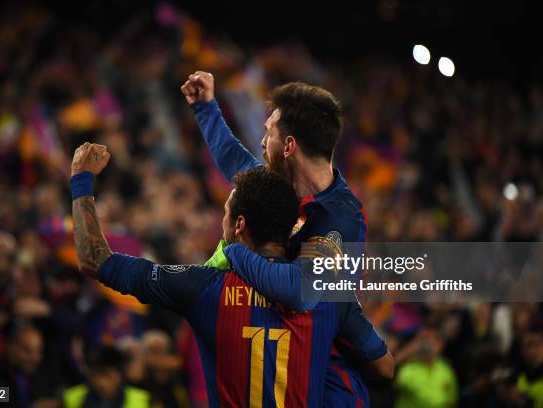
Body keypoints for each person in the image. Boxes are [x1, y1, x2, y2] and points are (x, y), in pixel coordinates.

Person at [70, 143, 388, 407]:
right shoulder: (329, 294)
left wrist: (81, 180)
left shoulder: (204, 288)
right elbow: (383, 367)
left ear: (238, 226)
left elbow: (93, 260)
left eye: (226, 213)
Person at [182, 72, 394, 405]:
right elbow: (236, 163)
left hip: (329, 384)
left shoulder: (338, 218)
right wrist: (206, 107)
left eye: (268, 134)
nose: (263, 144)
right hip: (286, 366)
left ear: (290, 145)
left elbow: (299, 291)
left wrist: (235, 251)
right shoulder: (284, 192)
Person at [63, 346, 150, 408]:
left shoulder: (142, 399)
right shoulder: (71, 397)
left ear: (120, 376)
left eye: (108, 376)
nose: (101, 383)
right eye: (96, 375)